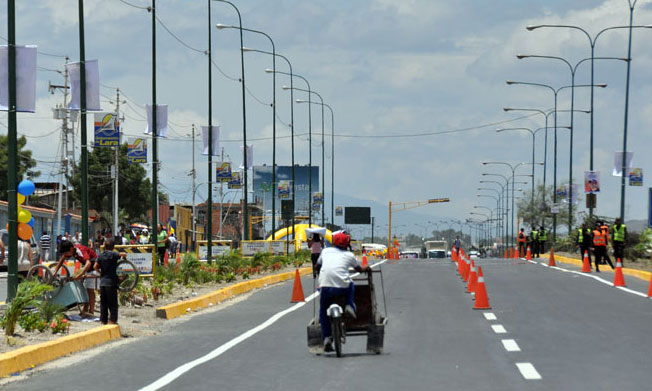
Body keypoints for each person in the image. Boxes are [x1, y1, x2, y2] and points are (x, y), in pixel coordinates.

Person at [315, 231, 370, 352]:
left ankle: (326, 339)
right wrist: (367, 267)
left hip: (325, 286)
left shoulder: (325, 252)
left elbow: (317, 266)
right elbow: (359, 269)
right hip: (342, 287)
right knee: (350, 284)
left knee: (323, 311)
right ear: (347, 243)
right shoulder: (349, 255)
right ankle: (349, 305)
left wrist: (318, 271)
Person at [53, 240, 99, 318]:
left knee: (90, 290)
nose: (65, 255)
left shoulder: (80, 250)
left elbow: (88, 263)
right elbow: (61, 260)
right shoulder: (71, 251)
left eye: (66, 253)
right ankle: (85, 309)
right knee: (85, 289)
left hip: (95, 267)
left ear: (71, 249)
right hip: (88, 268)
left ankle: (91, 311)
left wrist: (80, 275)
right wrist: (55, 271)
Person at [94, 238, 125, 325]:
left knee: (104, 303)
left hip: (103, 282)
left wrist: (100, 273)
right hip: (111, 282)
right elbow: (123, 254)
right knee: (113, 303)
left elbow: (95, 266)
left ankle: (103, 321)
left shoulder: (100, 255)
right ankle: (112, 321)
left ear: (104, 246)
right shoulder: (113, 254)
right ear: (113, 247)